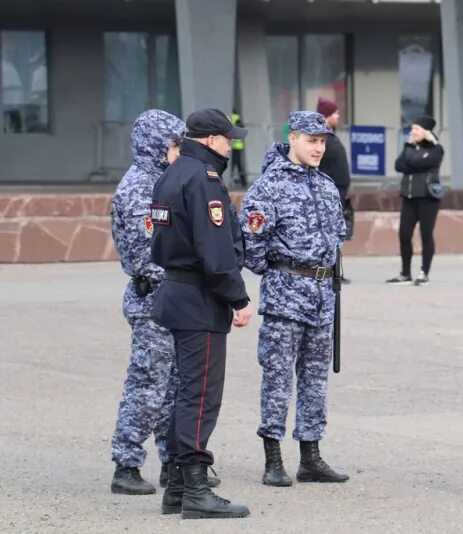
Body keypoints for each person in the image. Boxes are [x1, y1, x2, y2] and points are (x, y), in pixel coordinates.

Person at [149, 108, 253, 519]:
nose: (232, 144)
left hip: (176, 291)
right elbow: (216, 252)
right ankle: (195, 489)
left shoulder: (171, 173)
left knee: (186, 392)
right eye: (228, 138)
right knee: (201, 394)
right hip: (199, 298)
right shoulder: (203, 179)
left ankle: (176, 487)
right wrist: (239, 299)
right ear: (211, 139)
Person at [240, 110, 349, 488]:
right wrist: (281, 270)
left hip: (322, 294)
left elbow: (338, 235)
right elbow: (251, 247)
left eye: (322, 141)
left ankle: (311, 456)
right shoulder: (267, 187)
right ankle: (273, 457)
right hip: (286, 293)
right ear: (293, 139)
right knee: (277, 377)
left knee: (316, 379)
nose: (318, 147)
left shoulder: (326, 185)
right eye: (311, 140)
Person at [110, 109, 188, 495]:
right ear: (156, 145)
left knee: (173, 387)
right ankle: (126, 464)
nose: (179, 150)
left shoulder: (162, 181)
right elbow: (149, 252)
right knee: (148, 385)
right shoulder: (140, 187)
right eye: (174, 144)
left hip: (171, 298)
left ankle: (172, 462)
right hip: (152, 300)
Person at [385, 115, 444, 286]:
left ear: (425, 131)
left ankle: (423, 273)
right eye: (412, 129)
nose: (413, 132)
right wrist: (412, 156)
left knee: (426, 234)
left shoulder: (436, 148)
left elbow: (417, 163)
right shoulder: (409, 146)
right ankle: (405, 273)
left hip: (427, 198)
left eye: (416, 129)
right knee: (404, 234)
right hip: (408, 197)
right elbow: (399, 165)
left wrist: (411, 158)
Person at [316, 96, 353, 283]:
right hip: (330, 192)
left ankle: (335, 270)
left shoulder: (329, 134)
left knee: (336, 232)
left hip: (338, 191)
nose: (338, 116)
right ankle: (331, 270)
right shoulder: (321, 138)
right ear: (327, 115)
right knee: (330, 233)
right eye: (336, 113)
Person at [230, 109, 247, 187]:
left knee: (233, 164)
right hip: (238, 146)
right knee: (238, 164)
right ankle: (242, 180)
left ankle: (236, 179)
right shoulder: (237, 118)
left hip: (233, 146)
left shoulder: (231, 117)